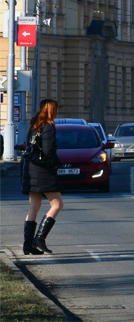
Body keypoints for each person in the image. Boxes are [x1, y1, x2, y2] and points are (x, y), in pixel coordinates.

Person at [21, 99, 64, 255]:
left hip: (30, 169)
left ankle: (27, 245)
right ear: (52, 110)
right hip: (43, 172)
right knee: (57, 204)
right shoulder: (49, 126)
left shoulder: (34, 125)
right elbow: (48, 151)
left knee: (34, 206)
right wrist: (56, 163)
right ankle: (39, 238)